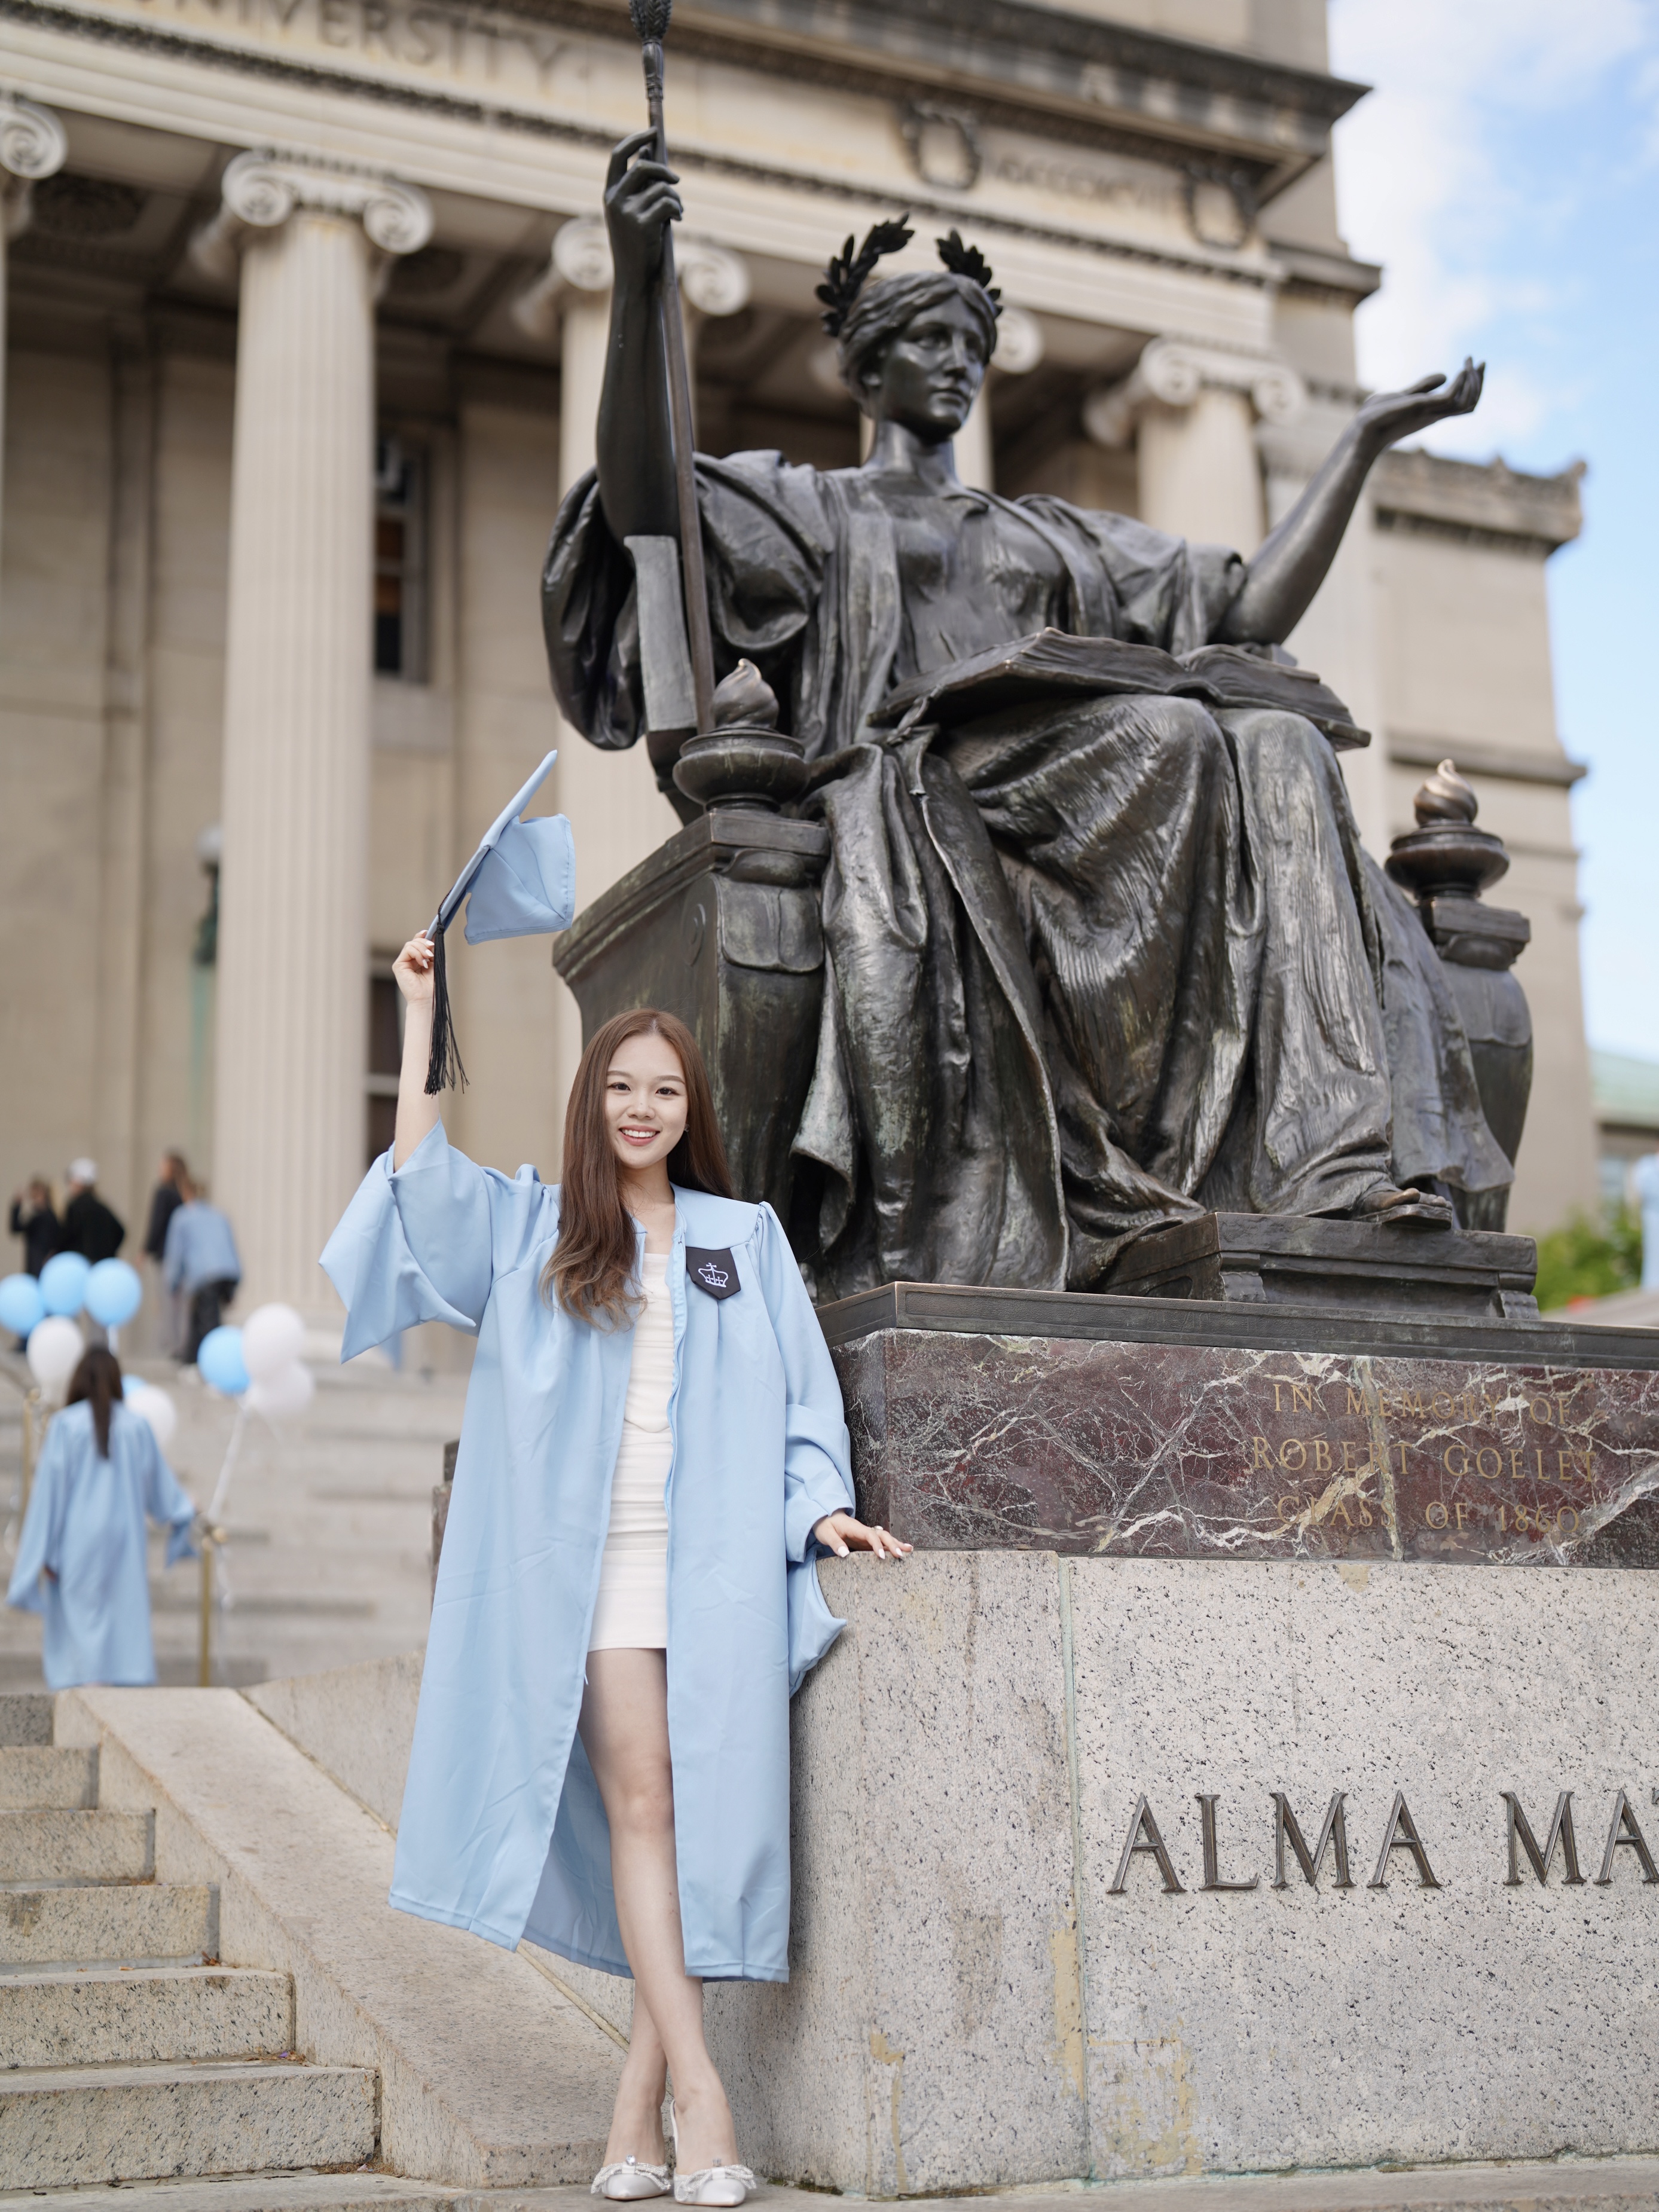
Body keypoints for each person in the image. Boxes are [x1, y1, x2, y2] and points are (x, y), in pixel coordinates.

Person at [544, 138, 1513, 1297]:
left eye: (969, 344)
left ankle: (1335, 1164)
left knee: (1280, 740)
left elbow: (1246, 603)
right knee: (1173, 735)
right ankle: (1125, 1172)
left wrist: (1356, 444)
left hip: (1079, 784)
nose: (954, 363)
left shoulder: (1048, 533)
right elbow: (647, 497)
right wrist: (641, 272)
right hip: (923, 779)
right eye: (925, 340)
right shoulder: (806, 508)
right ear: (863, 369)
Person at [322, 934, 911, 2206]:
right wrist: (420, 1013)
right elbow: (418, 1185)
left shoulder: (741, 1236)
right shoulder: (541, 1227)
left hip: (715, 1571)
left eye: (665, 1090)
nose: (642, 1107)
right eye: (620, 1086)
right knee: (648, 1801)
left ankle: (627, 2113)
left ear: (689, 1111)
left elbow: (806, 1397)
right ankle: (705, 2094)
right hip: (591, 1575)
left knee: (685, 1823)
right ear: (590, 1100)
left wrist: (821, 1515)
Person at [5, 1345, 197, 1688]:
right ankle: (119, 1681)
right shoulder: (137, 1427)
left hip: (76, 1539)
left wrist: (39, 1553)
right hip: (125, 1539)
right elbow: (164, 1493)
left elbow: (49, 1495)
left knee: (78, 1620)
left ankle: (83, 1687)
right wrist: (182, 1515)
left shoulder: (65, 1425)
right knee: (122, 1614)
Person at [163, 1182, 242, 1366]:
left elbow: (176, 1253)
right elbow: (231, 1246)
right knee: (203, 1317)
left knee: (207, 1323)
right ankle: (194, 1360)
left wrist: (172, 1283)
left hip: (204, 1274)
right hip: (229, 1272)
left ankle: (216, 1363)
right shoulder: (219, 1214)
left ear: (186, 1194)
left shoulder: (182, 1216)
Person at [143, 1152, 191, 1356]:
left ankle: (172, 1346)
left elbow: (157, 1223)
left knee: (166, 1303)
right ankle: (182, 1344)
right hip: (185, 1256)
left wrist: (146, 1249)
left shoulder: (163, 1192)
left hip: (166, 1254)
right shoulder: (185, 1192)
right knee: (180, 1304)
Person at [60, 1159, 125, 1266]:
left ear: (78, 1183)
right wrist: (108, 1253)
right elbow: (120, 1232)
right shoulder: (101, 1207)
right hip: (102, 1267)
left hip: (81, 1266)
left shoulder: (75, 1207)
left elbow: (66, 1238)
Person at [8, 1177, 60, 1276]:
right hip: (34, 1264)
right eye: (33, 1196)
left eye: (37, 1195)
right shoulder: (34, 1218)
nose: (34, 1199)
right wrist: (17, 1206)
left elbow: (57, 1242)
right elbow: (16, 1228)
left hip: (45, 1264)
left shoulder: (50, 1217)